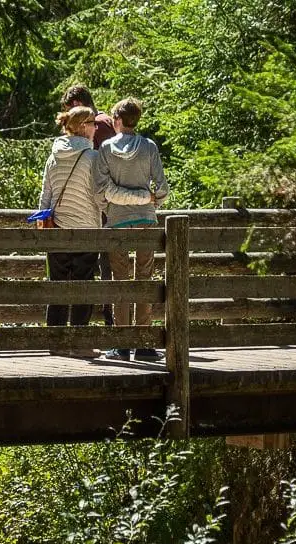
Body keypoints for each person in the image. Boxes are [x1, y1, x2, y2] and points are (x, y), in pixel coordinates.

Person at [96, 97, 169, 362]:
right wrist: (149, 200)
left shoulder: (105, 148)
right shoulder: (149, 147)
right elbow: (161, 188)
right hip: (147, 222)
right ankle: (144, 343)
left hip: (117, 222)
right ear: (136, 120)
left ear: (117, 120)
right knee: (144, 280)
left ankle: (122, 344)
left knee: (120, 280)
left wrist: (112, 207)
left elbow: (100, 192)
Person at [39, 105, 104, 359]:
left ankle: (54, 342)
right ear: (83, 127)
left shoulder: (53, 157)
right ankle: (79, 344)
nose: (96, 128)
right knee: (83, 286)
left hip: (58, 231)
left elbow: (45, 196)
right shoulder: (92, 158)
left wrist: (44, 224)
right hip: (86, 229)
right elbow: (99, 196)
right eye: (93, 123)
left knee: (57, 285)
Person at [60, 85, 117, 326]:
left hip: (94, 210)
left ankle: (107, 321)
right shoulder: (108, 123)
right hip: (103, 207)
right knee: (105, 267)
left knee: (100, 268)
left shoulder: (100, 125)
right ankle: (108, 323)